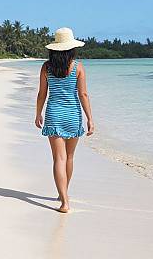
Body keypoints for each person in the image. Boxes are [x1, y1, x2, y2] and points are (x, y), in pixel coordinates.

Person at [35, 27, 95, 213]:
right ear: (72, 48)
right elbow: (83, 94)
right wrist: (90, 119)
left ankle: (64, 202)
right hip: (73, 116)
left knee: (58, 159)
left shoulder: (47, 67)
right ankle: (64, 194)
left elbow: (42, 94)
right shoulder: (78, 67)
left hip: (54, 114)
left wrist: (38, 113)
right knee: (69, 158)